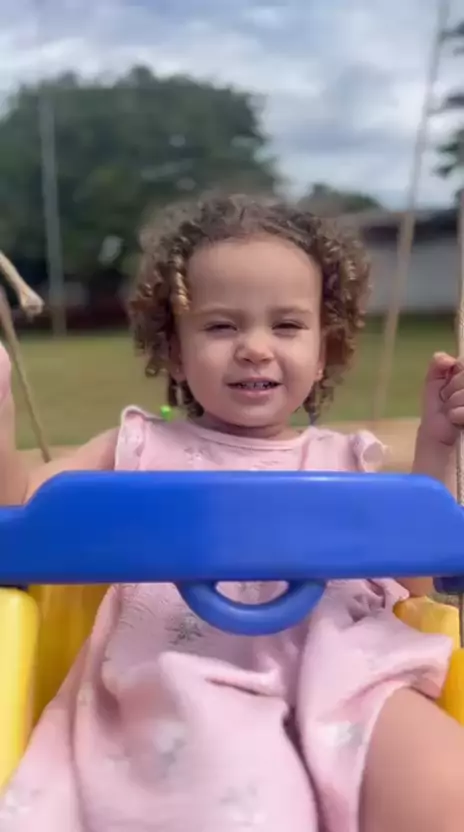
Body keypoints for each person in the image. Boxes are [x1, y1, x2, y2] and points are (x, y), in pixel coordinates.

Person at [1, 194, 464, 831]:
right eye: (222, 327)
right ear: (174, 350)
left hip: (352, 672)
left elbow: (415, 584)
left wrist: (438, 444)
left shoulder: (343, 461)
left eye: (287, 325)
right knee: (242, 803)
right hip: (188, 676)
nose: (254, 348)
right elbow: (18, 528)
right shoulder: (137, 448)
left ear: (323, 350)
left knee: (443, 784)